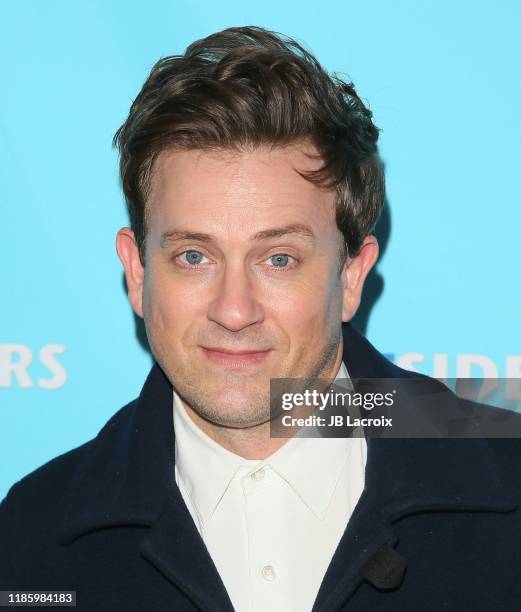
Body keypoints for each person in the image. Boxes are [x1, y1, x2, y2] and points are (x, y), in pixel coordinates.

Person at [1, 25, 520, 612]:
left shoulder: (507, 489)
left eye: (279, 259)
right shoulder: (32, 536)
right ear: (138, 273)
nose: (234, 310)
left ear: (350, 277)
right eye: (194, 256)